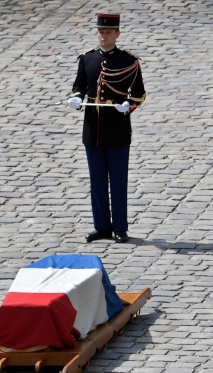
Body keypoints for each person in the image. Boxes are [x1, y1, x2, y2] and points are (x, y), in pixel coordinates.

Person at [69, 13, 146, 244]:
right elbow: (79, 86)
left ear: (117, 34)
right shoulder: (87, 59)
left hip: (117, 129)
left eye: (109, 32)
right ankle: (101, 226)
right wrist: (76, 98)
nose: (104, 36)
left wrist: (128, 106)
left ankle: (120, 227)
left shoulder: (129, 61)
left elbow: (139, 93)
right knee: (97, 180)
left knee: (118, 180)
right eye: (101, 32)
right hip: (93, 128)